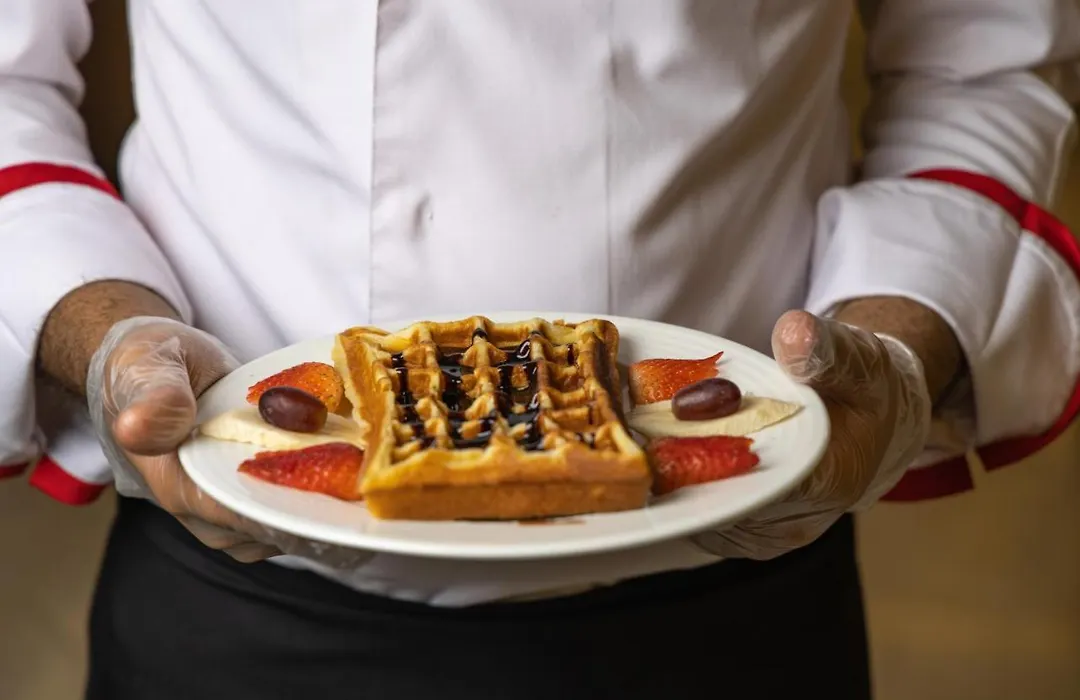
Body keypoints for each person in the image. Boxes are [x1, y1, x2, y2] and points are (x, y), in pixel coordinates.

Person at [2, 1, 1079, 698]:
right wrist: (104, 331)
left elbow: (981, 64)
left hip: (733, 593)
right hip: (236, 604)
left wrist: (895, 343)